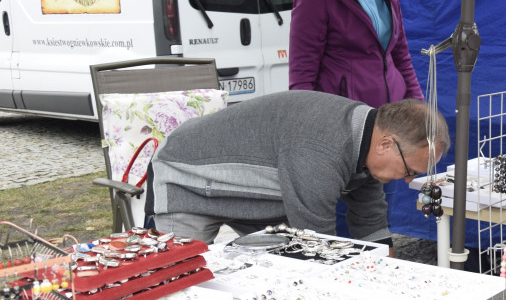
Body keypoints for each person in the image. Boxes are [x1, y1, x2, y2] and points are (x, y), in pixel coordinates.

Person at [146, 92, 448, 246]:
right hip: (189, 176)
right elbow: (317, 244)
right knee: (178, 282)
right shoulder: (323, 148)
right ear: (386, 144)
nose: (409, 179)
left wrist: (387, 280)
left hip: (260, 196)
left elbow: (370, 221)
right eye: (409, 169)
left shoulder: (368, 145)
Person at [289, 0, 424, 235]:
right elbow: (302, 77)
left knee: (378, 211)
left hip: (387, 124)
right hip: (340, 132)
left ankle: (375, 268)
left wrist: (418, 112)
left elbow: (400, 56)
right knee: (335, 220)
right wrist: (308, 138)